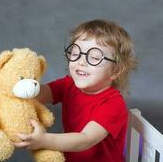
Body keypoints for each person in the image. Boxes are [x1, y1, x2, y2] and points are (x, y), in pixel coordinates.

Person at [14, 19, 138, 161]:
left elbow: (85, 140)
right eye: (76, 53)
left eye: (94, 58)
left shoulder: (113, 104)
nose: (81, 61)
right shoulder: (68, 84)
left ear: (115, 71)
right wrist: (21, 88)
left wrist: (44, 140)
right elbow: (39, 94)